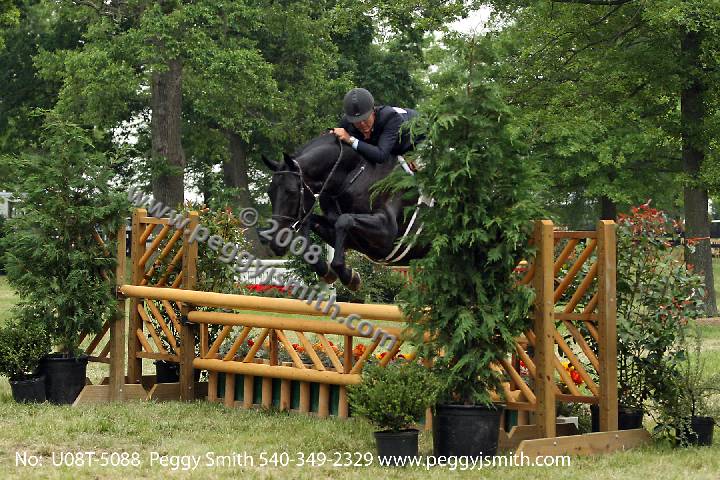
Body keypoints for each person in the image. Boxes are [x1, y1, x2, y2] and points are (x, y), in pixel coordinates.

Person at [330, 88, 421, 172]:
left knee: (420, 168)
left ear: (373, 111)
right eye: (357, 121)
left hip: (418, 140)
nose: (362, 124)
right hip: (392, 148)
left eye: (365, 119)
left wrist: (350, 139)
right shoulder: (347, 122)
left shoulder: (390, 117)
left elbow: (381, 156)